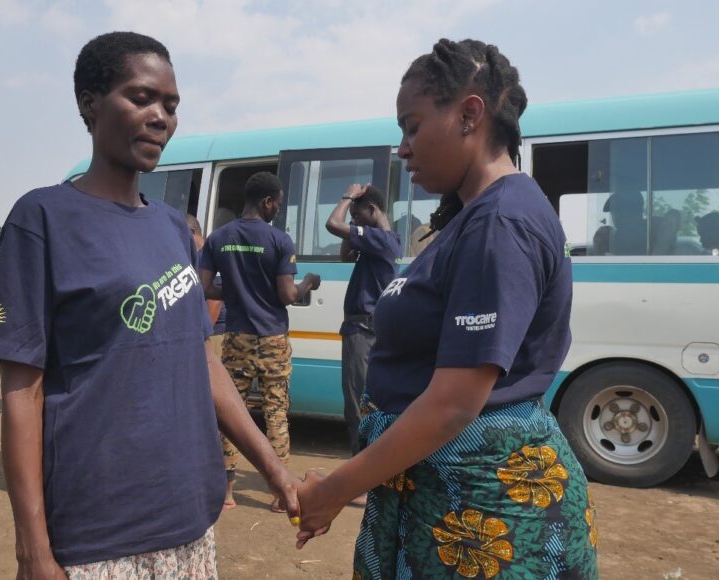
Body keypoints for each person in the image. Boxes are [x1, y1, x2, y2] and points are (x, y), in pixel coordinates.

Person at [0, 32, 300, 580]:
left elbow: (203, 360)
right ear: (89, 103)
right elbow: (22, 391)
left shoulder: (173, 227)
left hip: (187, 520)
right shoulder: (43, 218)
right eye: (142, 98)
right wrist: (32, 547)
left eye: (170, 106)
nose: (161, 118)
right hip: (98, 531)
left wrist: (274, 470)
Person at [295, 38, 598, 579]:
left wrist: (335, 491)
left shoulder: (500, 222)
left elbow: (454, 405)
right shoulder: (475, 217)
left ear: (469, 114)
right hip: (449, 501)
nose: (403, 148)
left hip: (482, 518)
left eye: (411, 127)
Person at [199, 171, 321, 511]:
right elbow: (286, 294)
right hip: (273, 341)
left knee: (230, 412)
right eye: (277, 205)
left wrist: (235, 291)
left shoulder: (219, 238)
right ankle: (278, 494)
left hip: (237, 337)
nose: (277, 211)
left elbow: (205, 286)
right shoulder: (280, 241)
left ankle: (227, 492)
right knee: (275, 411)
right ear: (267, 202)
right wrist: (308, 282)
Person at [323, 184, 400, 475]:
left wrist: (346, 197)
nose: (352, 222)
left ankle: (362, 473)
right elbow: (345, 255)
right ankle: (367, 469)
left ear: (372, 211)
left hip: (364, 332)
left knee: (358, 404)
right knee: (362, 401)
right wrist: (354, 227)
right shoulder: (377, 242)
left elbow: (332, 224)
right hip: (362, 329)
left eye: (358, 215)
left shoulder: (381, 239)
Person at [186, 214, 226, 359]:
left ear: (191, 233)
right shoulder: (199, 256)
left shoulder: (206, 256)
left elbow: (214, 302)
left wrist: (202, 338)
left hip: (213, 335)